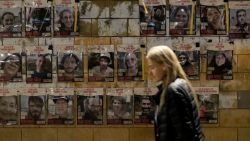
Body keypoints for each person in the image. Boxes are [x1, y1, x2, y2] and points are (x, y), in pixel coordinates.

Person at [146, 45, 205, 141]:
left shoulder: (173, 91)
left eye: (152, 67)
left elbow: (184, 134)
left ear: (164, 66)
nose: (150, 72)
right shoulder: (180, 84)